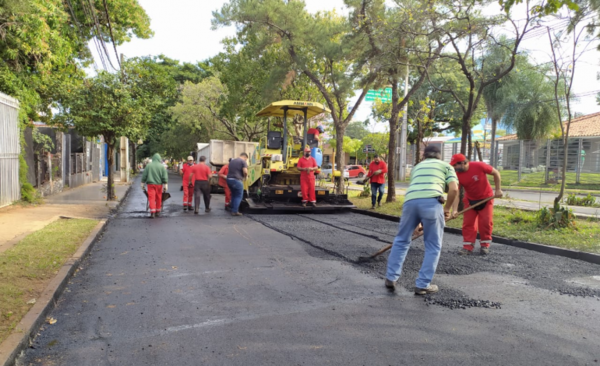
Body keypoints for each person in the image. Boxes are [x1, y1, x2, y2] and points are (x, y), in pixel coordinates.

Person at [385, 145, 458, 295]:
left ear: (424, 156)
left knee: (401, 240)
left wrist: (417, 222)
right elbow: (454, 189)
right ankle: (423, 284)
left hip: (410, 202)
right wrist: (447, 208)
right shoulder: (446, 166)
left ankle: (391, 277)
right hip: (432, 202)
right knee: (433, 245)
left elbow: (418, 190)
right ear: (439, 155)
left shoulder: (417, 167)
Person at [450, 154, 503, 255]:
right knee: (468, 224)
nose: (454, 167)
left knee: (486, 223)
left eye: (455, 165)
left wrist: (498, 189)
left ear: (463, 163)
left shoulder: (479, 166)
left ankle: (485, 245)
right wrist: (455, 210)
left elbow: (496, 173)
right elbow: (455, 193)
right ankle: (467, 246)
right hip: (470, 201)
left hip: (486, 199)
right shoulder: (457, 175)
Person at [141, 153, 169, 219]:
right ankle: (157, 211)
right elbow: (164, 177)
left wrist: (142, 183)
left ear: (153, 158)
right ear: (159, 159)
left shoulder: (148, 166)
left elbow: (144, 175)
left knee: (151, 198)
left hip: (150, 184)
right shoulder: (162, 166)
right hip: (159, 185)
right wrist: (165, 184)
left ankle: (152, 212)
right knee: (159, 197)